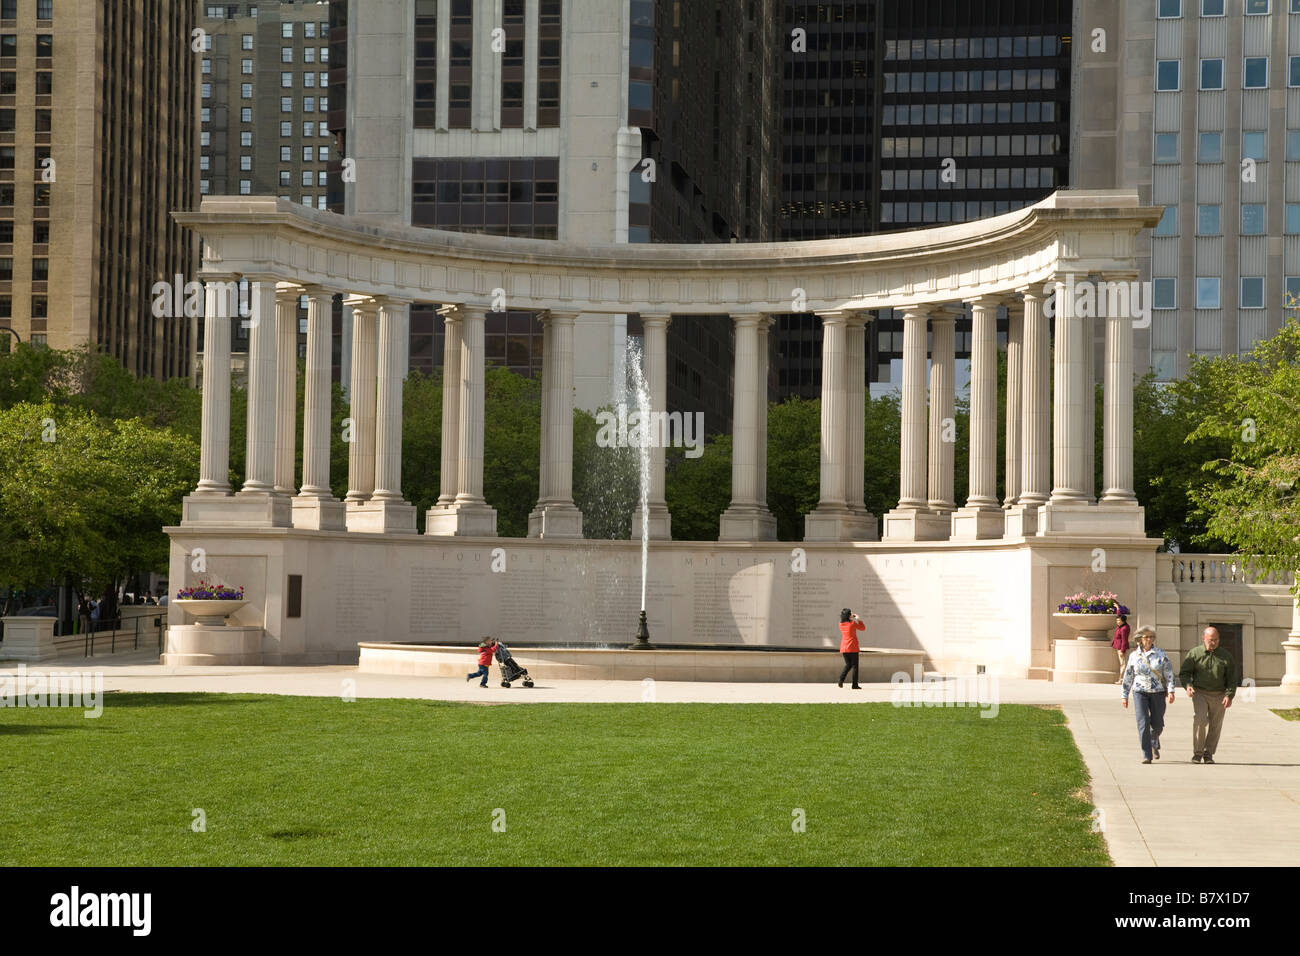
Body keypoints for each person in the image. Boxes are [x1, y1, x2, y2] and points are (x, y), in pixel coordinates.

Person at [1179, 626, 1237, 764]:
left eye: (1216, 640)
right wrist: (1188, 686)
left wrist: (1229, 695)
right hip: (1200, 693)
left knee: (1216, 725)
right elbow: (1185, 673)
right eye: (1211, 640)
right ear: (1204, 638)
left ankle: (1208, 753)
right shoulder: (1195, 653)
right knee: (1200, 721)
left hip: (1219, 694)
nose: (1214, 643)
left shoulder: (1226, 656)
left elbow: (1232, 678)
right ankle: (1197, 753)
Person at [1121, 626, 1175, 764]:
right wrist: (1125, 695)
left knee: (1158, 723)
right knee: (1143, 722)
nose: (1149, 639)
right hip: (1140, 691)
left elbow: (1169, 674)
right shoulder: (1134, 656)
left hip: (1158, 692)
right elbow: (1128, 676)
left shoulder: (1161, 654)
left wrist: (1171, 691)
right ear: (1140, 639)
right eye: (1146, 637)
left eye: (1151, 637)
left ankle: (1153, 739)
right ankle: (1146, 754)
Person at [838, 608, 865, 689]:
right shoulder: (852, 623)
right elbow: (862, 628)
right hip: (852, 647)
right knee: (855, 666)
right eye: (850, 613)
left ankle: (841, 679)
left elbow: (846, 622)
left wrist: (851, 617)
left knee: (848, 665)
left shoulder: (840, 624)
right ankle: (854, 684)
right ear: (848, 615)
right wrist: (858, 619)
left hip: (844, 647)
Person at [1112, 613, 1131, 682]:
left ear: (1123, 621)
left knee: (1123, 664)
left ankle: (1121, 679)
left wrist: (1122, 651)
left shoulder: (1124, 628)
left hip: (1121, 648)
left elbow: (1124, 640)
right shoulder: (1121, 626)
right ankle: (1121, 679)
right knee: (1122, 664)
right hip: (1118, 647)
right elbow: (1119, 615)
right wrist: (1117, 608)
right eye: (1117, 620)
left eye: (1119, 621)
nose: (1117, 622)